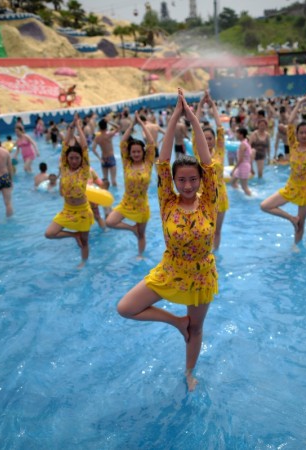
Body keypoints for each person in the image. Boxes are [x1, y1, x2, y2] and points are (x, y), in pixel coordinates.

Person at [116, 89, 217, 392]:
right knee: (125, 307)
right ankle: (176, 322)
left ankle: (188, 372)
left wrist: (194, 120)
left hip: (200, 275)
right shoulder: (167, 202)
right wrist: (174, 117)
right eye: (181, 180)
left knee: (197, 328)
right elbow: (162, 160)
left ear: (201, 180)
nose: (187, 185)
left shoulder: (209, 199)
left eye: (193, 179)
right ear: (172, 182)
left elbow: (206, 159)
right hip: (170, 270)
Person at [260, 89, 306, 245]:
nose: (303, 135)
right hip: (291, 186)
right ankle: (290, 218)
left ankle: (296, 245)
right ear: (297, 133)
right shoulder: (293, 145)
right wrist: (299, 103)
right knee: (265, 206)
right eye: (301, 132)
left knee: (302, 223)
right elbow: (290, 123)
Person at [44, 117, 93, 268]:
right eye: (71, 158)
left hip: (83, 210)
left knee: (84, 242)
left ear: (81, 159)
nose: (73, 160)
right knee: (50, 233)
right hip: (67, 210)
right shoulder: (64, 168)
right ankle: (74, 235)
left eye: (76, 158)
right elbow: (65, 144)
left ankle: (84, 263)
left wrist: (78, 126)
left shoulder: (84, 170)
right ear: (67, 158)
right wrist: (70, 128)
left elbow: (84, 147)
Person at [106, 113, 156, 257]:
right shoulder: (126, 163)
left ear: (142, 152)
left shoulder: (148, 164)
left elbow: (151, 143)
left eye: (138, 151)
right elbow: (122, 142)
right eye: (133, 151)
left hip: (141, 206)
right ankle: (131, 229)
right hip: (126, 203)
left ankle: (140, 255)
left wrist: (141, 124)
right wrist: (131, 125)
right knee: (110, 221)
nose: (135, 154)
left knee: (141, 235)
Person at [195, 90, 229, 250]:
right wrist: (201, 105)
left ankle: (214, 258)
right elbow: (195, 129)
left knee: (217, 231)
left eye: (210, 138)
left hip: (220, 196)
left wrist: (213, 105)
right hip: (203, 197)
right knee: (203, 231)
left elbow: (220, 127)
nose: (207, 141)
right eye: (205, 138)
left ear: (215, 140)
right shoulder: (199, 153)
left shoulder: (220, 152)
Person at [92, 118, 120, 189]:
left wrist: (99, 158)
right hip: (111, 158)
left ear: (99, 127)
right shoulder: (109, 135)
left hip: (103, 159)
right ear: (106, 126)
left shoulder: (97, 138)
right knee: (113, 181)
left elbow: (93, 149)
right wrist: (109, 121)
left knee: (105, 180)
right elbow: (118, 128)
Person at [229, 128, 253, 196]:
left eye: (237, 133)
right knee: (233, 182)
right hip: (243, 166)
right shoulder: (246, 142)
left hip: (243, 166)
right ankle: (239, 194)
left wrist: (233, 169)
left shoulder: (243, 145)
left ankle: (251, 197)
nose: (236, 135)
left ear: (241, 135)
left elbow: (240, 160)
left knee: (244, 187)